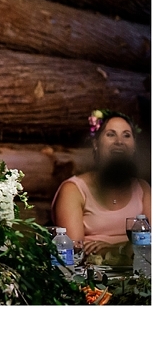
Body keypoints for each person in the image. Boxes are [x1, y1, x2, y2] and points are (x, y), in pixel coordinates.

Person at [52, 110, 151, 259]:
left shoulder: (142, 188)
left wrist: (116, 248)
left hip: (138, 272)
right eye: (111, 134)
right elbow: (74, 250)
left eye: (126, 135)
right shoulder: (74, 190)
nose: (119, 141)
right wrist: (130, 246)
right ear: (96, 144)